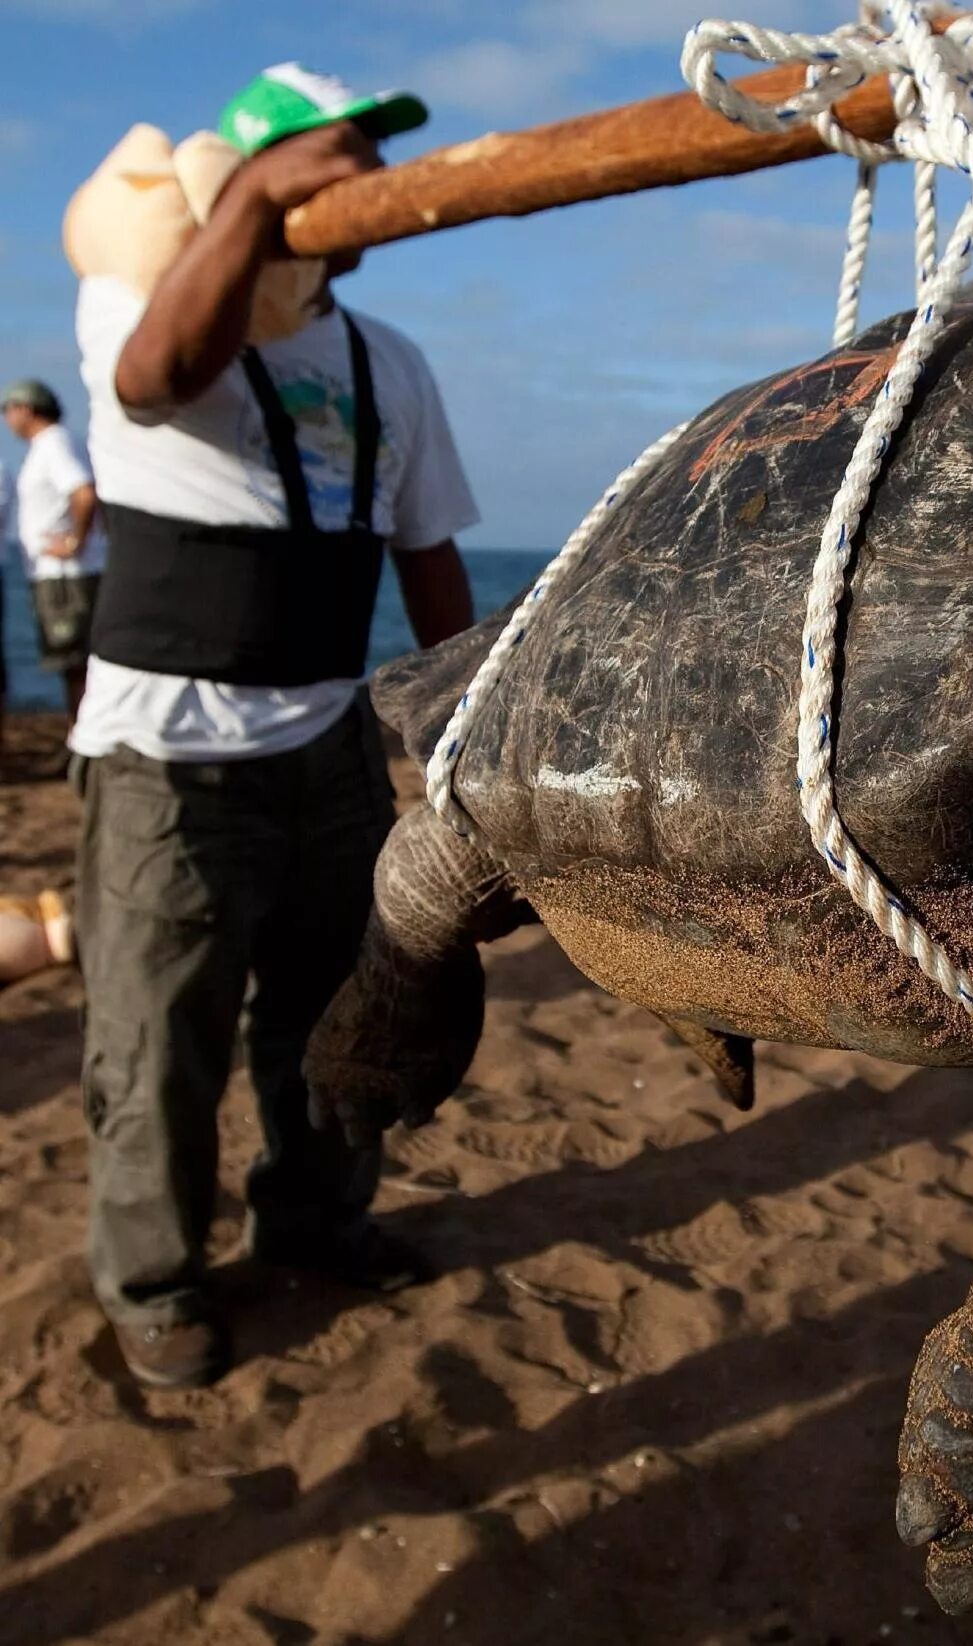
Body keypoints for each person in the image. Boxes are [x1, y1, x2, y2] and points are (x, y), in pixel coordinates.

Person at [70, 64, 476, 1389]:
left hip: (328, 754)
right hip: (164, 764)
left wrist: (463, 745)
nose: (364, 170)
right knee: (157, 1045)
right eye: (335, 151)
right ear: (254, 168)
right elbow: (152, 379)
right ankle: (155, 1279)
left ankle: (315, 1218)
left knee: (329, 1022)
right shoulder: (141, 296)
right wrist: (246, 210)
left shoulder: (388, 362)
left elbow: (426, 561)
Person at [6, 379, 110, 727]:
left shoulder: (54, 445)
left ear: (26, 408)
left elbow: (84, 493)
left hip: (66, 575)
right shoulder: (57, 443)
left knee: (75, 662)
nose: (6, 420)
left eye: (8, 410)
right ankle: (82, 738)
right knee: (76, 662)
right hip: (64, 572)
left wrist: (74, 542)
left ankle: (85, 741)